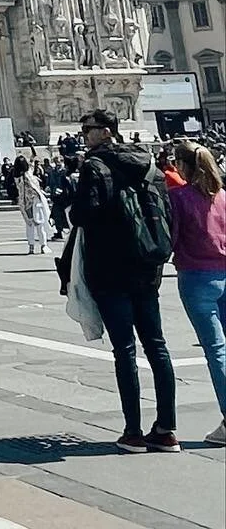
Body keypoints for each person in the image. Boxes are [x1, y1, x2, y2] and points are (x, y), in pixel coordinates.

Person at [70, 109, 177, 452]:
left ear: (105, 132)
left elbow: (85, 214)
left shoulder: (94, 166)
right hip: (147, 267)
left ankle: (133, 432)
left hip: (110, 268)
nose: (84, 135)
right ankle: (166, 430)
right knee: (157, 346)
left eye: (88, 130)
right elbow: (167, 212)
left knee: (125, 351)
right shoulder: (147, 163)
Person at [169, 140, 226, 444]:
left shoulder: (178, 198)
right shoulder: (224, 197)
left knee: (217, 351)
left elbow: (171, 237)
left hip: (197, 277)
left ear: (183, 166)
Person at [16, 157, 50, 254]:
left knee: (29, 224)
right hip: (35, 201)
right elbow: (32, 159)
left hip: (24, 203)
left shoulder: (17, 177)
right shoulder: (28, 174)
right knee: (39, 224)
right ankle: (43, 245)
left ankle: (31, 247)